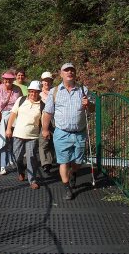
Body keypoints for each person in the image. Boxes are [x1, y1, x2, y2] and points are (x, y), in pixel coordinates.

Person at [42, 63, 95, 200]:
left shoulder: (83, 90)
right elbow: (48, 112)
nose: (69, 72)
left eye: (72, 70)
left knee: (77, 161)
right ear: (61, 74)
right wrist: (45, 129)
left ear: (75, 73)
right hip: (61, 132)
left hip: (79, 132)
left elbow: (93, 109)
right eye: (66, 70)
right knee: (63, 161)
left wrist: (88, 105)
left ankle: (73, 173)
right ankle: (67, 188)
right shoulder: (54, 92)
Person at [6, 80, 43, 190]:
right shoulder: (21, 100)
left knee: (31, 157)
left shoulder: (42, 105)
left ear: (39, 92)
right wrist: (8, 128)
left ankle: (32, 180)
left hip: (32, 135)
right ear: (28, 91)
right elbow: (13, 114)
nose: (33, 94)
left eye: (35, 92)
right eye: (31, 91)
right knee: (17, 156)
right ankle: (21, 170)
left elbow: (45, 119)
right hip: (18, 133)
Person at [0, 70, 22, 175]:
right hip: (1, 118)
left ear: (13, 80)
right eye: (6, 79)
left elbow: (21, 104)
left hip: (14, 117)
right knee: (2, 142)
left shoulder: (17, 89)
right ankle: (3, 166)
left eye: (10, 79)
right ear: (3, 79)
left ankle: (11, 158)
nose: (8, 81)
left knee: (12, 140)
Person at [38, 71, 55, 174]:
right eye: (45, 81)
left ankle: (49, 162)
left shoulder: (55, 92)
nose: (47, 83)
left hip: (54, 120)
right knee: (43, 142)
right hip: (42, 121)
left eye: (49, 80)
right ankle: (45, 163)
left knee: (52, 143)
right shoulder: (38, 94)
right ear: (42, 82)